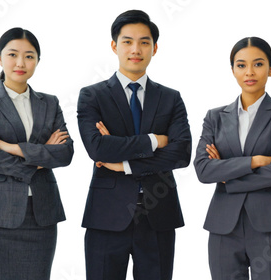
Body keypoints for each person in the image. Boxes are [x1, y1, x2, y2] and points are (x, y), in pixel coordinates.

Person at [77, 9, 191, 280]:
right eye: (127, 41)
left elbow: (182, 153)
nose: (136, 49)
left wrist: (125, 164)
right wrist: (155, 140)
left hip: (158, 215)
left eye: (144, 42)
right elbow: (97, 149)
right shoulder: (92, 96)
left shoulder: (170, 98)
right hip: (106, 215)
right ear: (115, 46)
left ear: (155, 48)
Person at [0, 27, 74, 280]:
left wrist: (12, 147)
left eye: (29, 56)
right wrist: (41, 156)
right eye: (12, 54)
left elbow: (66, 153)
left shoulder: (50, 102)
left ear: (38, 60)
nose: (20, 62)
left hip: (41, 216)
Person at [194, 37, 271, 280]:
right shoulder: (215, 117)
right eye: (241, 65)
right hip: (223, 226)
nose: (249, 72)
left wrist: (226, 175)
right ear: (232, 70)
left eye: (258, 64)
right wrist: (255, 161)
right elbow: (203, 170)